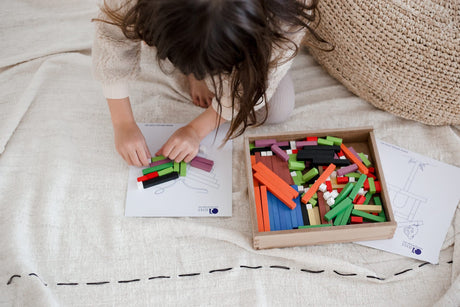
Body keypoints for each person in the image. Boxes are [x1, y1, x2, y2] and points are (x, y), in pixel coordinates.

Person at [92, 0, 322, 166]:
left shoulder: (284, 17)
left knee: (278, 108)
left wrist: (196, 129)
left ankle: (209, 62)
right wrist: (123, 124)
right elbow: (110, 37)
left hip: (259, 31)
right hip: (183, 24)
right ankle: (196, 66)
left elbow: (264, 80)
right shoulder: (129, 4)